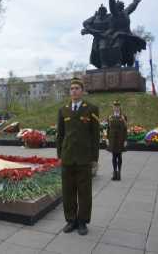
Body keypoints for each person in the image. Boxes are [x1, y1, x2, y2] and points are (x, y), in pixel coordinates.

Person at [56, 77, 100, 236]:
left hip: (84, 157)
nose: (73, 91)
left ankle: (82, 222)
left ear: (82, 91)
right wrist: (59, 155)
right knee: (68, 191)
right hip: (67, 157)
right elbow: (60, 135)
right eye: (71, 89)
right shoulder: (63, 110)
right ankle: (71, 220)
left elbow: (95, 136)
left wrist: (95, 158)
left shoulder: (91, 109)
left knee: (84, 192)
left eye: (76, 88)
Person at [106, 100, 127, 181]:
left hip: (120, 139)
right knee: (114, 156)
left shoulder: (123, 117)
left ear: (120, 107)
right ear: (113, 108)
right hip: (112, 139)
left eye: (117, 106)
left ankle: (119, 173)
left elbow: (125, 129)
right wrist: (107, 139)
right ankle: (115, 172)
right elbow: (108, 129)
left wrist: (125, 140)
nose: (116, 108)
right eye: (115, 106)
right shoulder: (110, 117)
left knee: (119, 156)